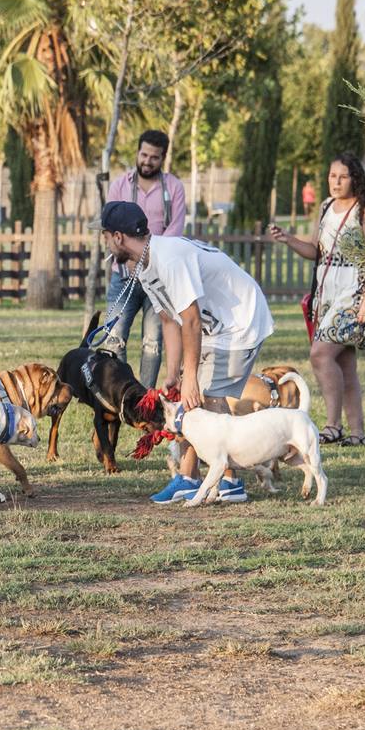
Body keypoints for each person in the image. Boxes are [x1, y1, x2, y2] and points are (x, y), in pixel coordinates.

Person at [95, 201, 274, 505]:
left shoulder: (168, 259)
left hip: (239, 322)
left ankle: (203, 479)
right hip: (215, 327)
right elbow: (169, 319)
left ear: (118, 237)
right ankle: (217, 479)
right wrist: (173, 374)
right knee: (196, 399)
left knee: (204, 399)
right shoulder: (143, 265)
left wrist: (190, 377)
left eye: (105, 236)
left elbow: (189, 318)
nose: (105, 243)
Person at [270, 153, 365, 446]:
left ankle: (333, 425)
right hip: (327, 291)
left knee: (320, 354)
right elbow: (315, 251)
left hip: (354, 291)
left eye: (343, 176)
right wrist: (288, 239)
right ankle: (357, 432)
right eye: (332, 176)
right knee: (344, 363)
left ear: (354, 178)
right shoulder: (325, 207)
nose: (336, 182)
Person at [99, 129, 187, 389]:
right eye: (144, 154)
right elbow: (109, 224)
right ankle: (121, 392)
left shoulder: (174, 188)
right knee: (113, 337)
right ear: (137, 153)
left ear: (163, 158)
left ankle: (145, 398)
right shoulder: (120, 185)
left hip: (158, 277)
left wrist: (148, 259)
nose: (148, 161)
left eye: (154, 157)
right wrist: (128, 259)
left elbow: (175, 230)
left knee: (152, 342)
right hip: (123, 275)